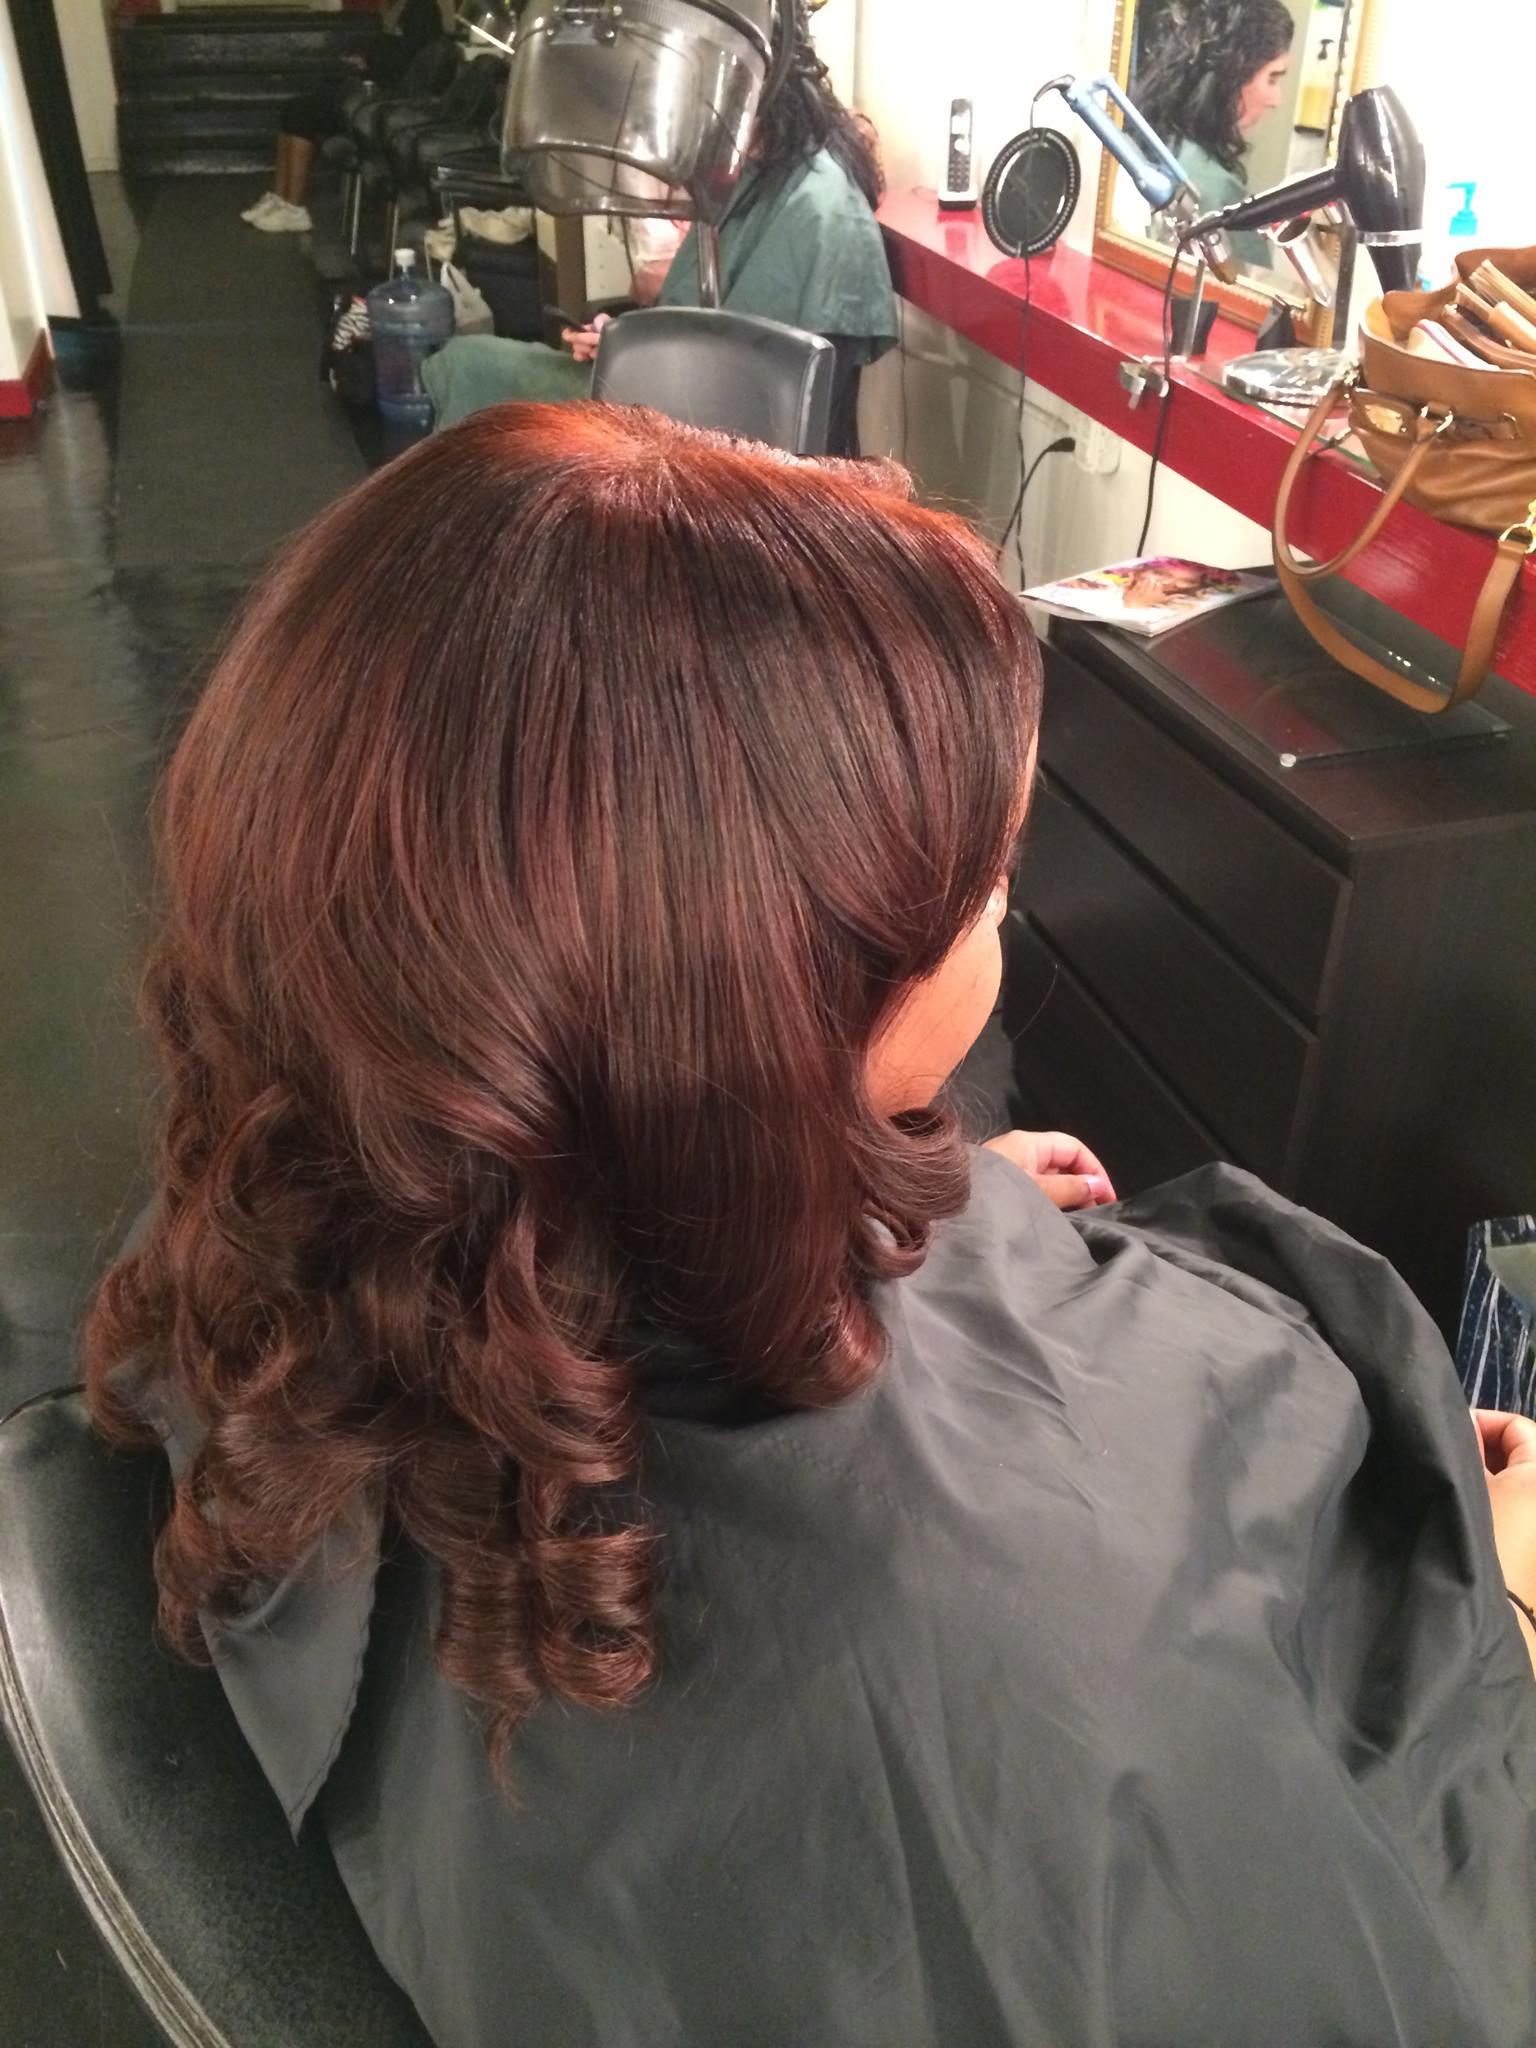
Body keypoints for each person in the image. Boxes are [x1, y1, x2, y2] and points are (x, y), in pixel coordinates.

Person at [85, 404, 1535, 2048]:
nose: (1004, 920)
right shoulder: (1023, 1691)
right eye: (987, 891)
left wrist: (905, 1178)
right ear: (752, 1033)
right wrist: (1478, 1596)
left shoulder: (307, 1164)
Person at [421, 9, 895, 446]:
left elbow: (761, 403)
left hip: (702, 437)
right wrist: (625, 340)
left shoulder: (822, 214)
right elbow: (707, 324)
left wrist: (642, 355)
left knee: (474, 367)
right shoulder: (756, 174)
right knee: (473, 361)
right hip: (672, 400)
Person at [241, 0, 444, 235]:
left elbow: (410, 64)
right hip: (368, 89)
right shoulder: (394, 8)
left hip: (380, 105)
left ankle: (294, 208)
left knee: (302, 115)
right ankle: (279, 196)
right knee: (291, 108)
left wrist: (371, 65)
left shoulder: (422, 9)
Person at [1136, 0, 1295, 267]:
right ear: (1233, 73)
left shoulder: (1154, 142)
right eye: (1272, 78)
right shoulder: (1215, 189)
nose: (1276, 99)